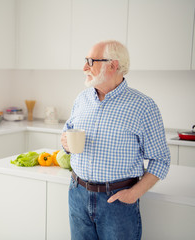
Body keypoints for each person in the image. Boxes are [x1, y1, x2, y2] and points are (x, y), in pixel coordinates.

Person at [61, 40, 170, 240]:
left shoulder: (143, 106)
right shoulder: (81, 99)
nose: (84, 67)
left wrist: (133, 194)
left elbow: (161, 160)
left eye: (91, 61)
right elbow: (66, 133)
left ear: (113, 65)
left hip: (117, 201)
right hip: (77, 194)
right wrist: (66, 144)